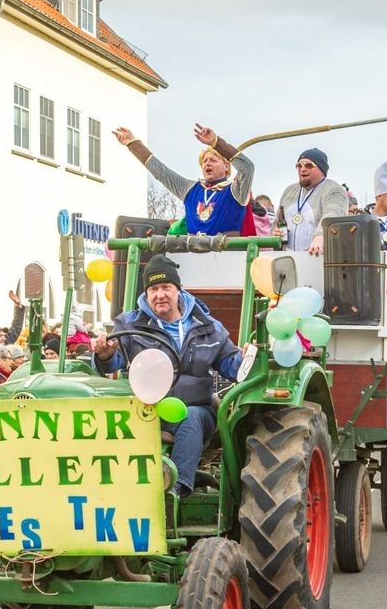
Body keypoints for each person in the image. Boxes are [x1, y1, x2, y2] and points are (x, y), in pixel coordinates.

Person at [93, 256, 242, 497]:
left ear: (178, 290)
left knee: (191, 416)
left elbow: (231, 365)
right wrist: (105, 355)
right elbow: (113, 360)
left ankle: (175, 491)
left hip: (194, 409)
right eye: (153, 289)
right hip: (146, 410)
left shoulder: (206, 326)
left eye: (166, 287)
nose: (159, 294)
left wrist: (246, 358)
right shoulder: (130, 324)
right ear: (146, 293)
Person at [116, 124, 254, 236]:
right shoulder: (190, 189)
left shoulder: (236, 190)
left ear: (226, 166)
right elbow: (161, 173)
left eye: (213, 160)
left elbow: (248, 168)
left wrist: (216, 142)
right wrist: (133, 144)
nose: (207, 164)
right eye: (204, 161)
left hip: (229, 257)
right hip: (192, 258)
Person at [276, 148, 348, 255]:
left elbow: (333, 214)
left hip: (317, 258)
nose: (302, 169)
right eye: (299, 165)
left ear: (322, 169)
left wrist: (321, 235)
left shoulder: (333, 190)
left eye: (309, 165)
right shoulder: (289, 191)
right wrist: (275, 233)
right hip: (287, 260)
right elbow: (276, 222)